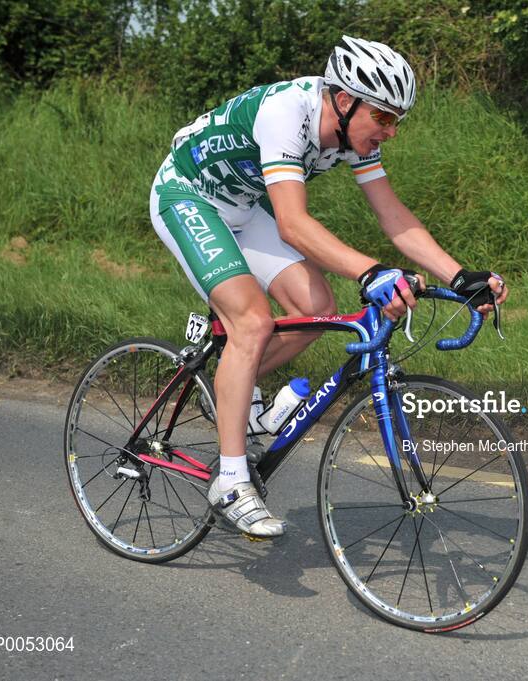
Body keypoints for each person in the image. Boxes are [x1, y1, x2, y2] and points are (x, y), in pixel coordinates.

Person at [149, 36, 508, 538]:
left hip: (245, 210)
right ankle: (229, 481)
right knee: (251, 321)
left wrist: (460, 276)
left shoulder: (349, 136)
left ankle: (232, 391)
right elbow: (294, 225)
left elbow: (393, 216)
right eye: (382, 117)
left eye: (396, 121)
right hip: (188, 197)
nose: (390, 131)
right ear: (344, 101)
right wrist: (371, 271)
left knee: (316, 307)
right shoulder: (286, 113)